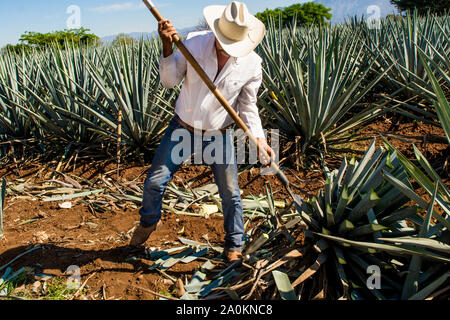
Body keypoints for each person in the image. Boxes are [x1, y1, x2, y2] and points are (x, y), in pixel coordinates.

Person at [130, 1, 273, 262]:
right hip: (182, 128)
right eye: (221, 39)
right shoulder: (193, 44)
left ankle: (234, 243)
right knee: (154, 181)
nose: (223, 46)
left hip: (219, 134)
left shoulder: (252, 64)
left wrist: (260, 140)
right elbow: (168, 82)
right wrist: (167, 46)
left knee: (230, 192)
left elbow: (248, 106)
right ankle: (148, 222)